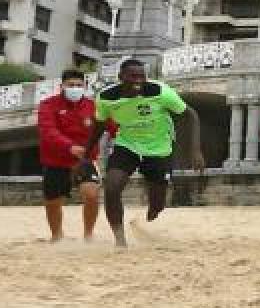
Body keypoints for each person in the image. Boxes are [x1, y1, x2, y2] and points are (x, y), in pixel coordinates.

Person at [82, 58, 204, 248]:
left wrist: (196, 151)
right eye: (133, 76)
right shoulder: (106, 97)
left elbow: (191, 114)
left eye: (142, 76)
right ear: (121, 77)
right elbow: (99, 126)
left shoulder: (160, 92)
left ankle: (150, 214)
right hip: (127, 144)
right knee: (112, 187)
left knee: (157, 205)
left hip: (159, 148)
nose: (138, 80)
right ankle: (120, 241)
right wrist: (86, 154)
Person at [37, 69, 109, 242]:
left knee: (92, 195)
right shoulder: (48, 105)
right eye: (71, 85)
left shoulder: (94, 106)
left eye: (79, 85)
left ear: (85, 86)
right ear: (62, 86)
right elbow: (48, 131)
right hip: (55, 161)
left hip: (85, 160)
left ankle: (88, 234)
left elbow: (112, 126)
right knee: (53, 202)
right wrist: (70, 147)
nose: (75, 88)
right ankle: (56, 235)